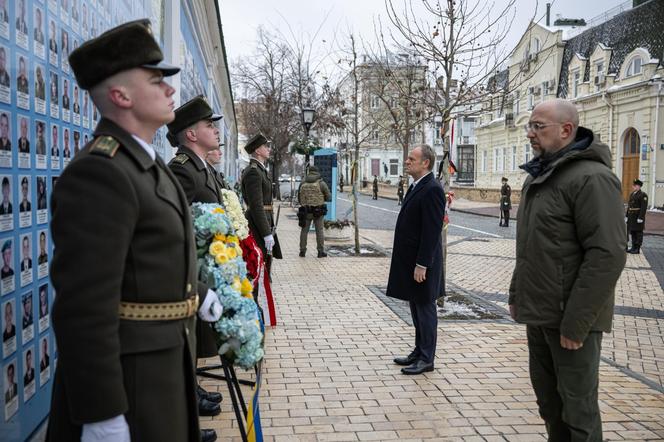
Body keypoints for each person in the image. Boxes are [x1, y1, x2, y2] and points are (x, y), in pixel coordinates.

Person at [48, 20, 220, 442]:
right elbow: (83, 309)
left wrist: (198, 291)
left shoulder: (147, 165)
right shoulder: (100, 172)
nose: (168, 90)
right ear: (121, 95)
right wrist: (101, 412)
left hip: (162, 367)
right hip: (129, 381)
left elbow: (160, 251)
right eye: (155, 79)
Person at [509, 99, 626, 441]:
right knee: (550, 405)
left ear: (566, 129)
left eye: (538, 126)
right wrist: (518, 294)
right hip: (541, 315)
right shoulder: (540, 177)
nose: (530, 133)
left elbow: (607, 255)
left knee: (579, 413)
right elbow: (531, 247)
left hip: (572, 322)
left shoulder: (593, 178)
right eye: (529, 126)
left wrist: (576, 323)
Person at [166, 95, 225, 421]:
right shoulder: (183, 170)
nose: (215, 130)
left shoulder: (200, 168)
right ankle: (188, 398)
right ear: (190, 134)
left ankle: (192, 390)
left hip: (204, 263)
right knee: (187, 334)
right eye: (208, 125)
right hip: (191, 265)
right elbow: (177, 224)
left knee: (193, 335)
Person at [387, 145, 445, 375]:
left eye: (412, 158)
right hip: (411, 260)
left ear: (426, 163)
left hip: (423, 263)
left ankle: (427, 358)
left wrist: (422, 264)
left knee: (425, 308)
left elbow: (431, 231)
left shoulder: (432, 189)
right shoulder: (418, 185)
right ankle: (419, 351)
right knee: (415, 306)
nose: (407, 161)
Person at [240, 134, 283, 267]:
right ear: (257, 151)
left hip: (265, 219)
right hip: (257, 223)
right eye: (265, 146)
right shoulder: (254, 172)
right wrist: (266, 233)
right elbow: (256, 206)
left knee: (266, 263)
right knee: (260, 264)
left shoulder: (260, 170)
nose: (268, 149)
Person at [298, 165, 331, 258]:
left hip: (305, 211)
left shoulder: (303, 182)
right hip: (318, 211)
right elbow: (329, 197)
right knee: (319, 231)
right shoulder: (321, 183)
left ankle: (302, 251)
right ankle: (320, 252)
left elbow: (299, 197)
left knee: (304, 231)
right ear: (317, 172)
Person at [626, 179, 648, 254]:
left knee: (638, 232)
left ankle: (637, 248)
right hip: (631, 217)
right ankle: (633, 247)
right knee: (632, 232)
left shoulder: (643, 195)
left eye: (635, 185)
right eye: (633, 185)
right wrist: (626, 216)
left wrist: (640, 217)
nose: (634, 186)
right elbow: (629, 206)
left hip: (638, 217)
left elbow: (643, 207)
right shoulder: (632, 194)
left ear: (639, 186)